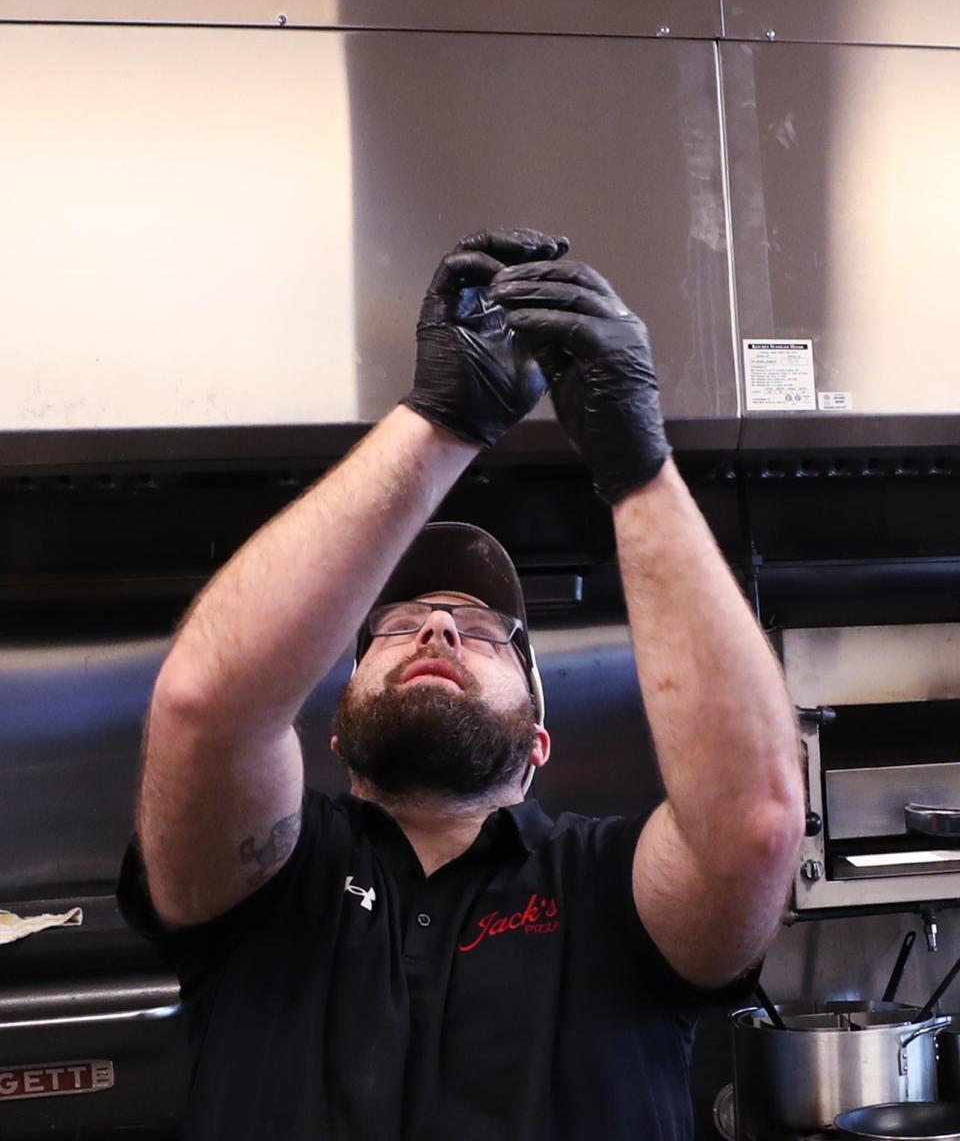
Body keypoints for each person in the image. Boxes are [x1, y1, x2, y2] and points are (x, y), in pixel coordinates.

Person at [117, 228, 804, 1141]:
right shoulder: (274, 872)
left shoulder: (607, 885)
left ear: (537, 745)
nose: (438, 625)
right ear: (335, 728)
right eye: (395, 626)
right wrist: (441, 418)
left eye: (484, 632)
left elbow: (754, 823)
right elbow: (206, 703)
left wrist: (638, 466)